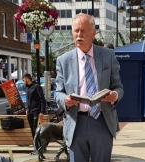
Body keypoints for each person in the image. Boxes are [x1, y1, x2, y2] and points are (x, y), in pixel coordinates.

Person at [54, 13, 124, 162]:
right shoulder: (63, 60)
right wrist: (64, 99)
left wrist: (115, 95)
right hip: (75, 122)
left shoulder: (108, 56)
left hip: (102, 121)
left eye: (83, 31)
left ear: (93, 32)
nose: (79, 35)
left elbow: (118, 87)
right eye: (76, 31)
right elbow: (58, 92)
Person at [22, 73, 46, 139]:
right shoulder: (27, 88)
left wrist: (42, 112)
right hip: (29, 112)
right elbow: (28, 100)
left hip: (36, 111)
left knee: (35, 128)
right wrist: (27, 109)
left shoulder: (36, 87)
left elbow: (42, 100)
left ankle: (39, 146)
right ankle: (35, 144)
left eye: (23, 80)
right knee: (32, 129)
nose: (23, 82)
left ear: (27, 79)